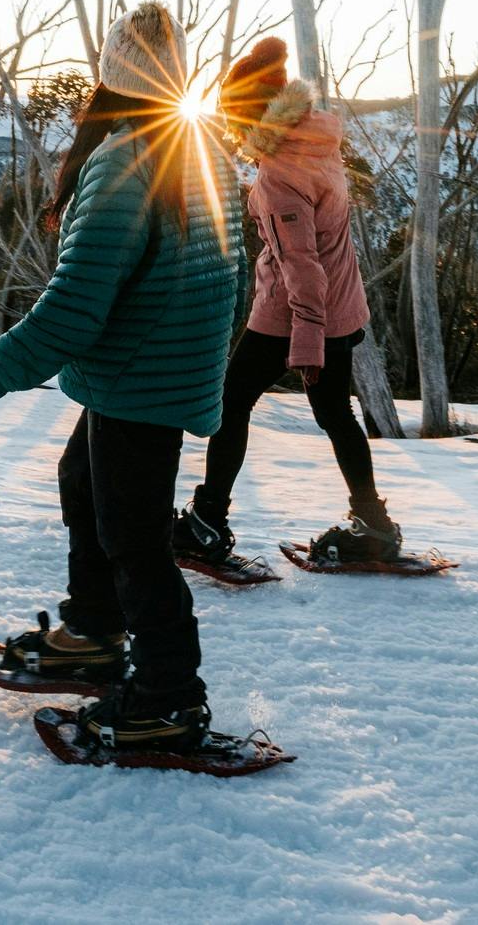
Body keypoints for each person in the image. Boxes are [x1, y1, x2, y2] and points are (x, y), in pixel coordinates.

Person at [0, 0, 239, 754]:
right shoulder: (202, 149)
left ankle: (168, 700)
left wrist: (1, 363)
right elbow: (226, 277)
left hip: (141, 377)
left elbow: (77, 302)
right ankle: (93, 629)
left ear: (112, 74)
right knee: (84, 482)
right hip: (156, 370)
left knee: (136, 541)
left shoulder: (126, 160)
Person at [171, 37, 403, 565]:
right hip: (342, 309)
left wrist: (306, 347)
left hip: (293, 315)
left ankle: (207, 522)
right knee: (336, 415)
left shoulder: (278, 176)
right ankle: (375, 526)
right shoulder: (317, 144)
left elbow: (302, 267)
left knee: (229, 405)